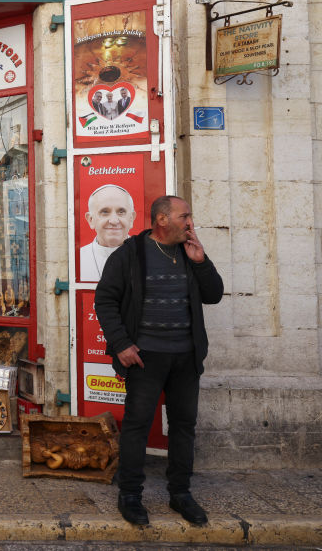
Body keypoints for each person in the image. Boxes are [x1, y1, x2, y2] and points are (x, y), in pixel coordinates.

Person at [95, 196, 224, 527]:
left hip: (186, 356)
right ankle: (131, 496)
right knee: (137, 427)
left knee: (183, 426)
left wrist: (201, 261)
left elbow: (213, 294)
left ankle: (180, 494)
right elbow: (105, 300)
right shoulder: (130, 254)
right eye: (185, 216)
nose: (190, 223)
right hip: (145, 359)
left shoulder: (189, 253)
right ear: (162, 220)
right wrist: (121, 344)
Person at [79, 185, 136, 282]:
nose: (114, 221)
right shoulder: (77, 260)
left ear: (131, 219)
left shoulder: (149, 259)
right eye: (105, 212)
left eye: (121, 212)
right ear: (91, 220)